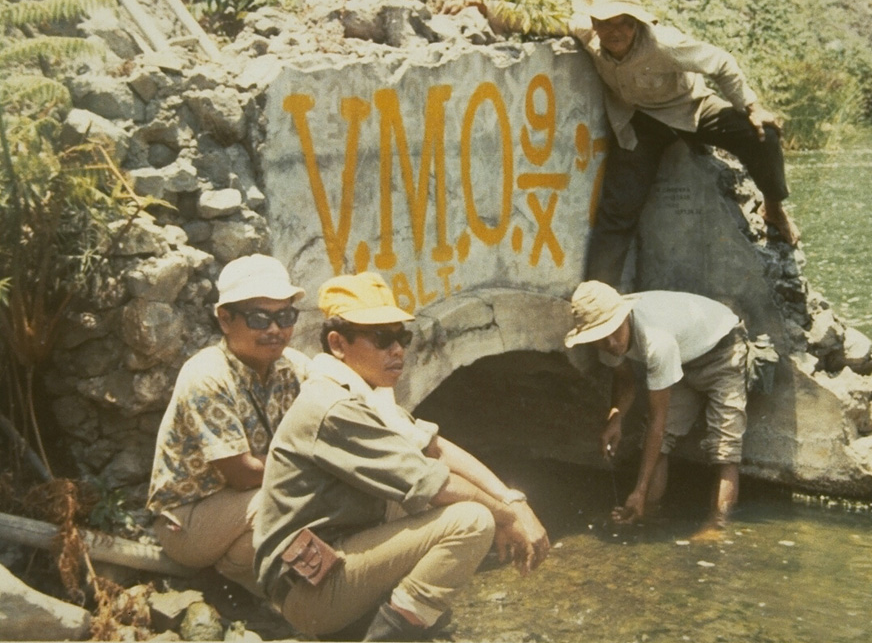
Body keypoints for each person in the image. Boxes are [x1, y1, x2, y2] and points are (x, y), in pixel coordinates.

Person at [444, 0, 799, 286]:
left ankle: (773, 206)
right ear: (594, 24)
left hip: (690, 108)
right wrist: (483, 6)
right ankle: (601, 308)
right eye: (606, 23)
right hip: (638, 122)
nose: (615, 32)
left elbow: (721, 62)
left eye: (624, 23)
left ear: (637, 23)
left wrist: (751, 106)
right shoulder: (589, 34)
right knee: (616, 212)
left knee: (761, 135)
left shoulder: (665, 44)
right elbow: (540, 20)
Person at [253, 271, 550, 641]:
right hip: (307, 590)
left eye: (401, 337)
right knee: (470, 520)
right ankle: (388, 634)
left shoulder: (366, 392)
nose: (398, 350)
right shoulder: (332, 405)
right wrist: (506, 516)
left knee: (442, 507)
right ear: (337, 343)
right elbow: (434, 483)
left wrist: (512, 499)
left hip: (331, 561)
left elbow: (436, 448)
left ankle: (393, 617)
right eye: (382, 339)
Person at [146, 254, 310, 594]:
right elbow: (244, 474)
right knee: (291, 499)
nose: (275, 330)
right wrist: (318, 465)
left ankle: (240, 568)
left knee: (315, 495)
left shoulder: (293, 367)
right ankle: (292, 596)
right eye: (259, 318)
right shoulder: (206, 375)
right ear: (225, 320)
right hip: (190, 520)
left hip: (247, 502)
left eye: (285, 316)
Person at [564, 280, 748, 541]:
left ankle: (717, 527)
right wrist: (615, 418)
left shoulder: (656, 340)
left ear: (625, 316)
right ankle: (646, 513)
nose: (613, 343)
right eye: (601, 340)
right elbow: (625, 381)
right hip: (682, 359)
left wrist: (638, 488)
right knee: (660, 447)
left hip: (722, 349)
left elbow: (657, 422)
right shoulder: (606, 342)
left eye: (614, 332)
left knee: (725, 448)